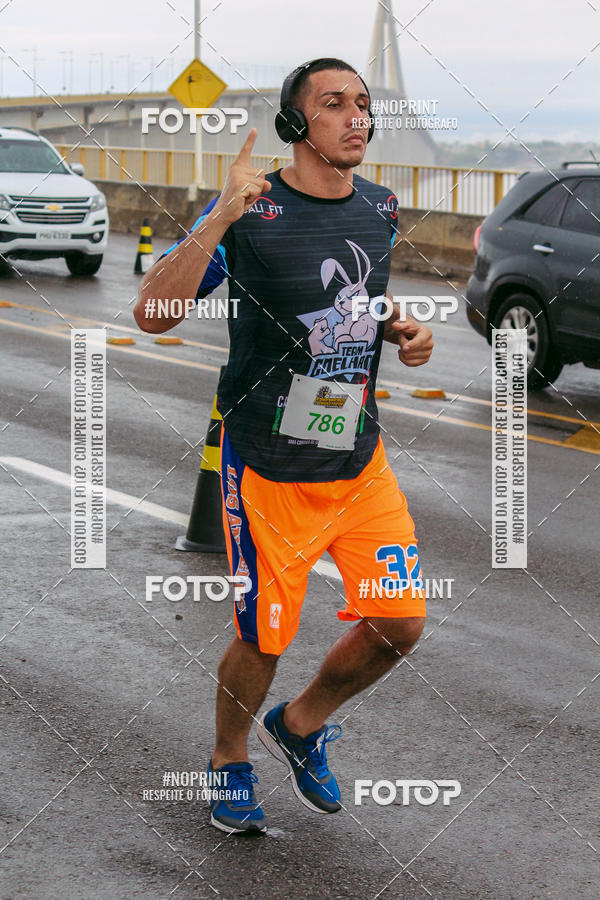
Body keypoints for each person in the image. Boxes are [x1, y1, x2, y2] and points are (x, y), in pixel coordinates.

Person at [134, 57, 434, 835]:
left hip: (357, 456)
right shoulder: (252, 209)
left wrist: (399, 328)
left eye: (363, 103)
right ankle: (228, 757)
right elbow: (153, 313)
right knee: (264, 637)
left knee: (401, 623)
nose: (358, 116)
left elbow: (353, 298)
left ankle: (299, 726)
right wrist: (219, 217)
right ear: (296, 123)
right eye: (334, 104)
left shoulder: (380, 206)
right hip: (268, 463)